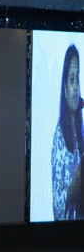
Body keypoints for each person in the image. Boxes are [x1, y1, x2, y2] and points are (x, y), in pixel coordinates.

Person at [52, 44, 84, 220]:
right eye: (71, 79)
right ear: (64, 88)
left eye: (77, 78)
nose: (76, 87)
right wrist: (76, 181)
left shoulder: (81, 129)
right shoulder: (59, 137)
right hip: (64, 234)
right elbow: (57, 206)